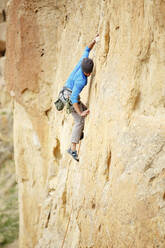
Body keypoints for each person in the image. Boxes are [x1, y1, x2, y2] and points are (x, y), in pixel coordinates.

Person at [63, 35, 99, 162]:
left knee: (85, 111)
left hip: (68, 92)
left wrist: (95, 40)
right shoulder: (81, 81)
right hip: (69, 97)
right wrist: (80, 112)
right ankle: (72, 149)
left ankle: (79, 134)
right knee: (80, 120)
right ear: (88, 73)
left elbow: (87, 49)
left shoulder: (83, 61)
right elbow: (73, 99)